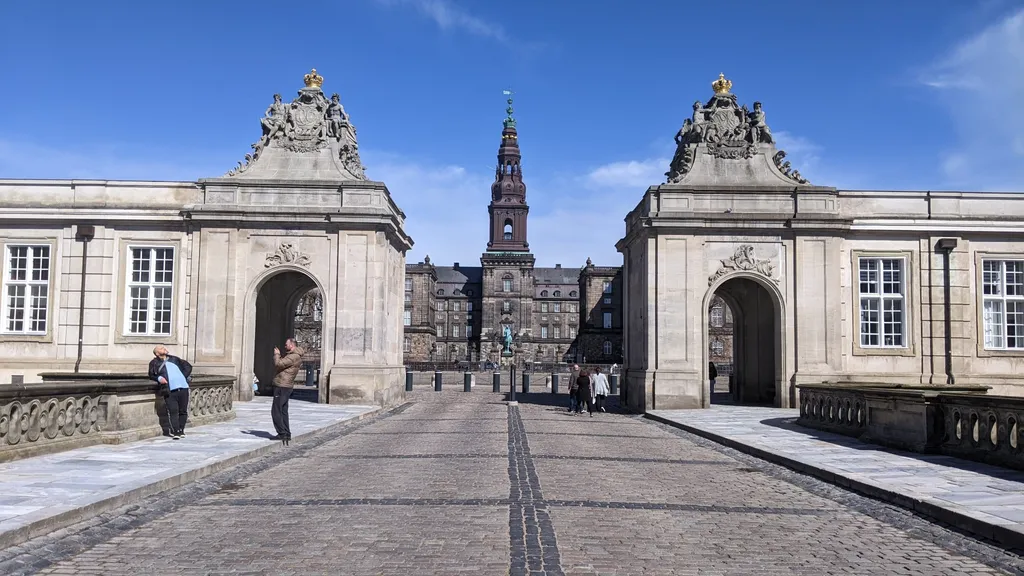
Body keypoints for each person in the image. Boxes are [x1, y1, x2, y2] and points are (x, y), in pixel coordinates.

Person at [148, 345, 192, 439]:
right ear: (157, 353)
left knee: (183, 411)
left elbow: (188, 366)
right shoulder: (154, 363)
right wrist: (159, 378)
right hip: (169, 390)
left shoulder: (174, 359)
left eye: (164, 347)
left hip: (183, 387)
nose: (164, 348)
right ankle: (176, 432)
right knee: (173, 411)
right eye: (161, 348)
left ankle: (181, 430)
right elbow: (151, 375)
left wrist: (182, 377)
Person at [272, 338, 305, 444]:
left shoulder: (293, 356)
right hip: (286, 386)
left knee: (276, 411)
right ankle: (286, 433)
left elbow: (279, 364)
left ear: (292, 345)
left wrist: (277, 355)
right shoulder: (294, 355)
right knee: (283, 411)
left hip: (282, 386)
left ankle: (282, 433)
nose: (285, 346)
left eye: (286, 344)